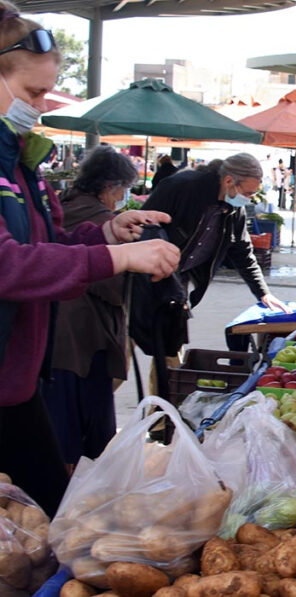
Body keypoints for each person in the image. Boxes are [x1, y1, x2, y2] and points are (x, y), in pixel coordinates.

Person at [0, 2, 180, 514]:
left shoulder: (19, 163)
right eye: (31, 93)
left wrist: (106, 234)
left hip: (18, 379)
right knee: (43, 523)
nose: (37, 106)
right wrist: (117, 260)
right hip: (13, 379)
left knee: (46, 520)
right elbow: (7, 264)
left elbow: (46, 244)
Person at [44, 145, 138, 468]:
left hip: (55, 335)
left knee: (60, 420)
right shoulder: (101, 219)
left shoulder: (62, 206)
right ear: (109, 187)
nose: (123, 196)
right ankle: (76, 492)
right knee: (84, 427)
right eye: (123, 190)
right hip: (84, 335)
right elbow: (109, 282)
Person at [142, 153, 288, 313]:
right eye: (247, 193)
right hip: (147, 273)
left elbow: (242, 252)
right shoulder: (182, 186)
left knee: (173, 331)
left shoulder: (235, 209)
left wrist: (263, 293)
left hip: (178, 278)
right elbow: (143, 225)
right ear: (228, 181)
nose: (248, 199)